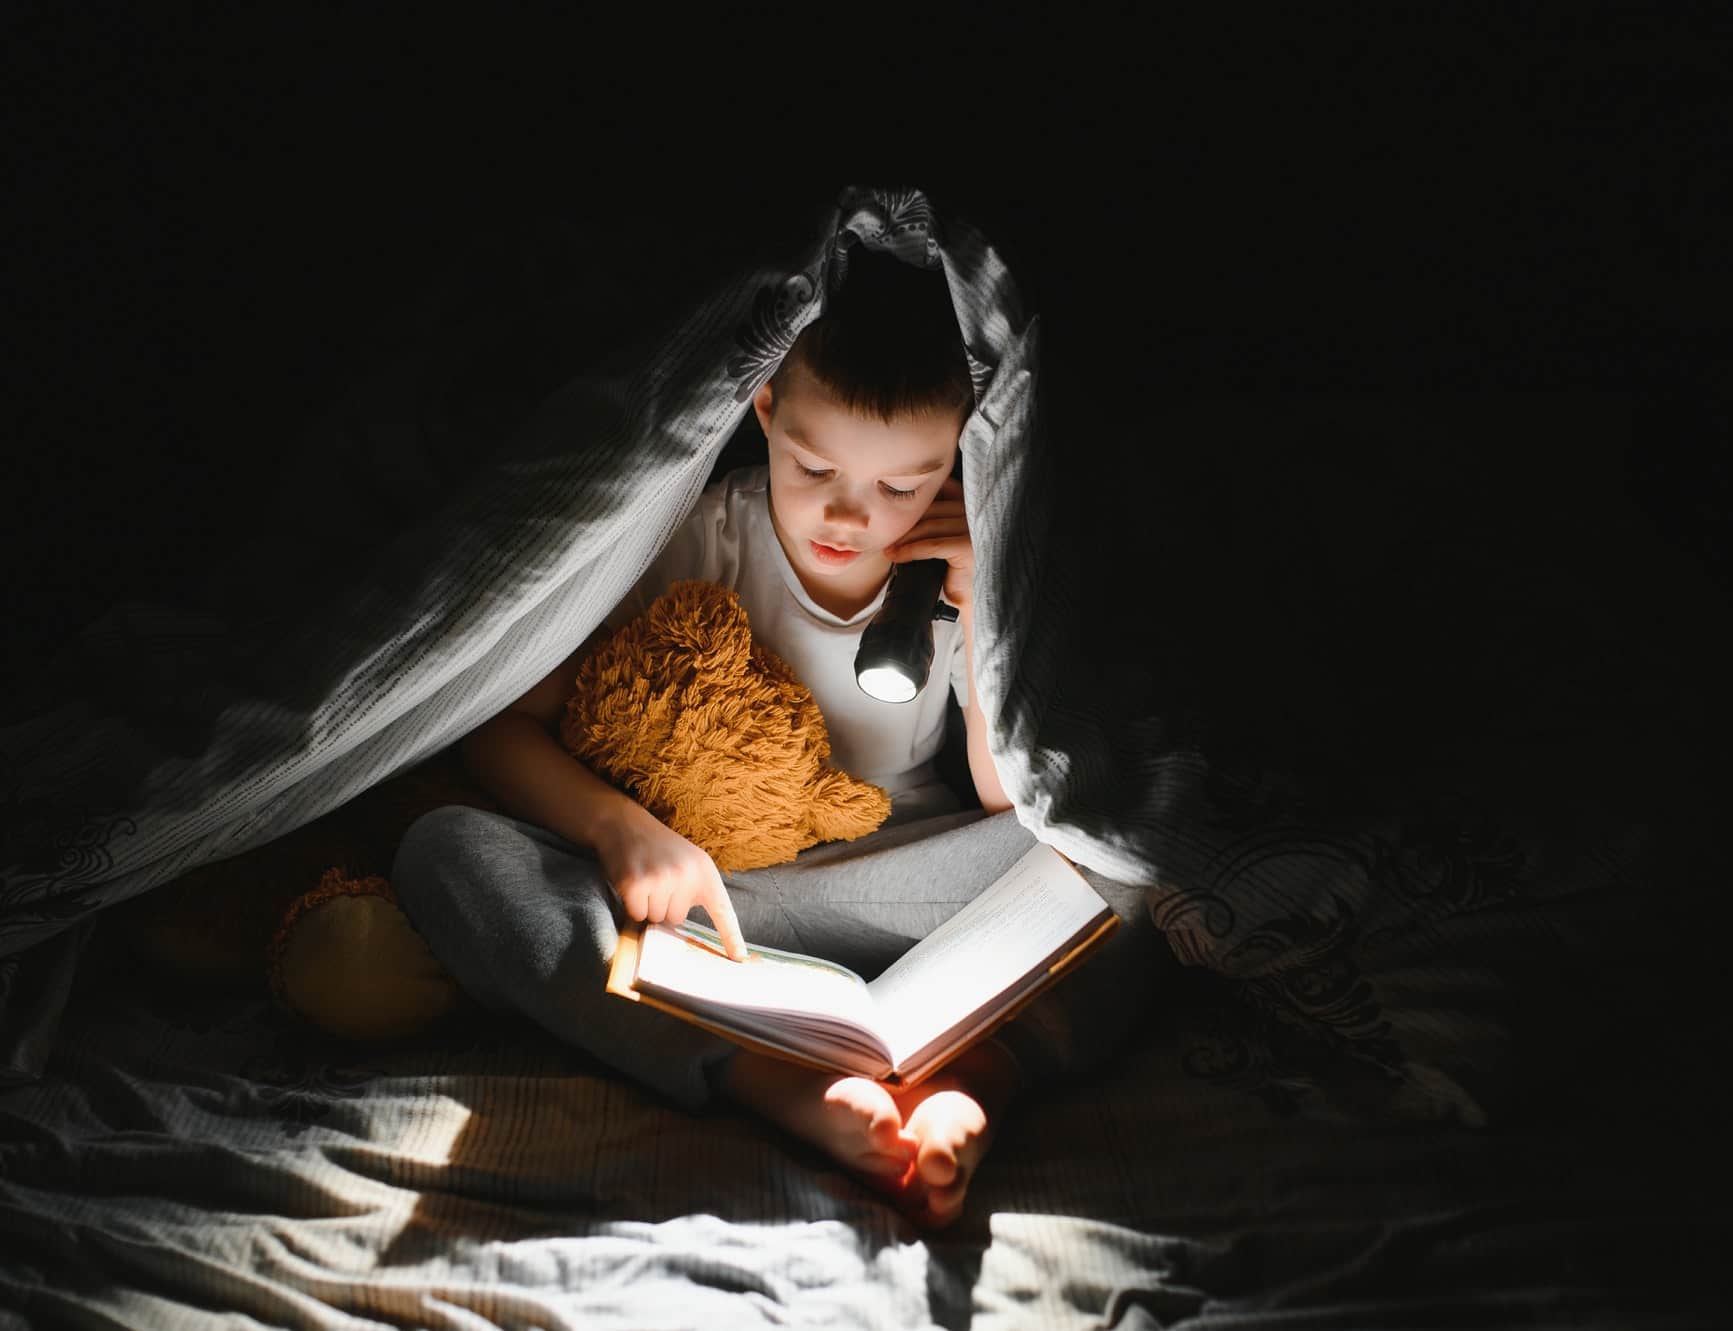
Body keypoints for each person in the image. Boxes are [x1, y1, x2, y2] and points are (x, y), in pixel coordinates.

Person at [391, 244, 1170, 1228]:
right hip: (717, 907)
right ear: (764, 408)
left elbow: (996, 805)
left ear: (959, 459)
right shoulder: (702, 537)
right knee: (449, 850)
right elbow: (502, 731)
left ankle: (978, 1074)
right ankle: (761, 1075)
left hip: (895, 881)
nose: (851, 514)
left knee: (1130, 865)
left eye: (903, 485)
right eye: (815, 467)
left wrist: (981, 614)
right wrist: (619, 829)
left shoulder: (960, 566)